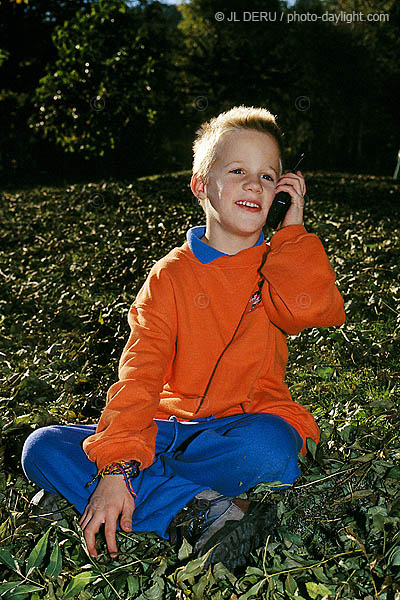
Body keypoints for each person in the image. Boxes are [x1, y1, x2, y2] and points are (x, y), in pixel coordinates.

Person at [22, 106, 345, 571]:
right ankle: (191, 506)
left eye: (268, 176)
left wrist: (292, 231)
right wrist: (115, 465)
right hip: (164, 429)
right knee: (42, 446)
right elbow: (140, 374)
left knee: (273, 449)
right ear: (200, 185)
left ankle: (122, 493)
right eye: (238, 171)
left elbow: (309, 309)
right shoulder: (168, 277)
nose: (255, 184)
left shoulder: (280, 263)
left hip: (243, 427)